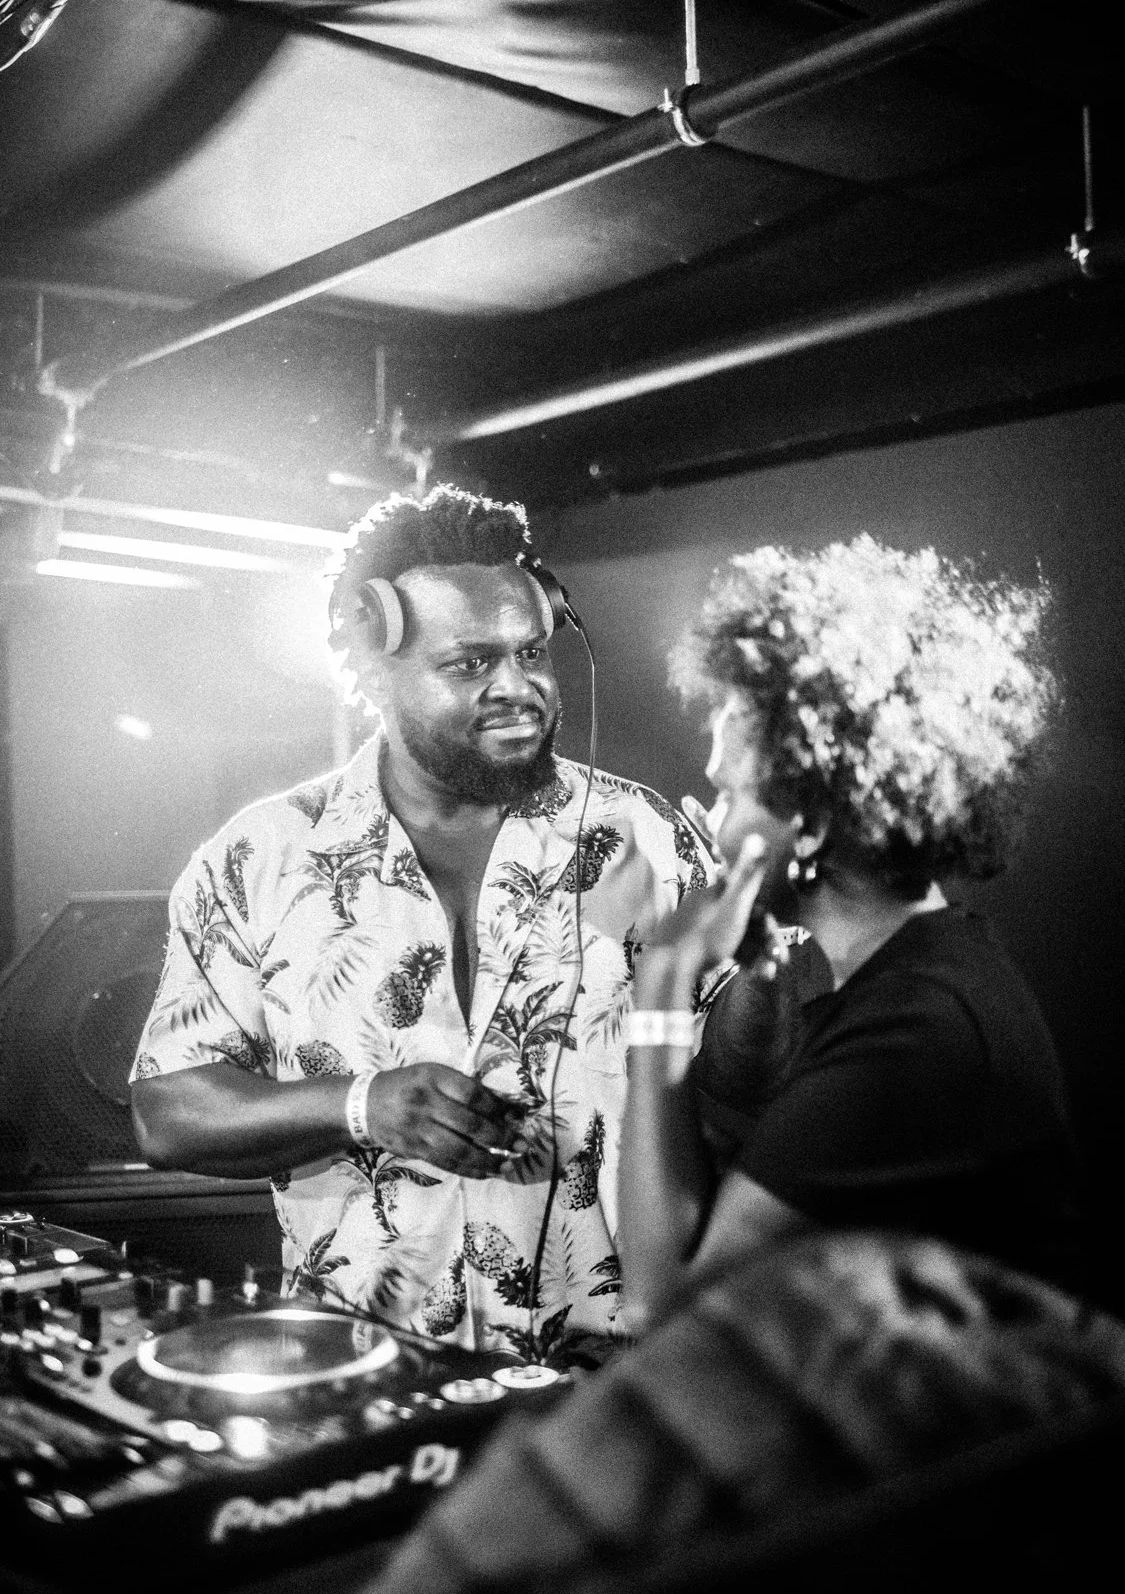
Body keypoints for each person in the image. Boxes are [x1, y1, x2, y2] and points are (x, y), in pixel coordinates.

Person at [130, 484, 708, 1356]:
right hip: (366, 1368)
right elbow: (167, 1112)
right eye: (470, 664)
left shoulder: (647, 837)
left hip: (615, 1375)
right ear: (369, 667)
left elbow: (746, 1086)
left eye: (532, 654)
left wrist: (781, 926)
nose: (518, 689)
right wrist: (358, 1106)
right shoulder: (258, 857)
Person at [617, 533, 1085, 1332]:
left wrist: (662, 978)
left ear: (807, 826)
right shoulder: (880, 973)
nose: (703, 816)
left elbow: (663, 1307)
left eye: (727, 793)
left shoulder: (920, 1031)